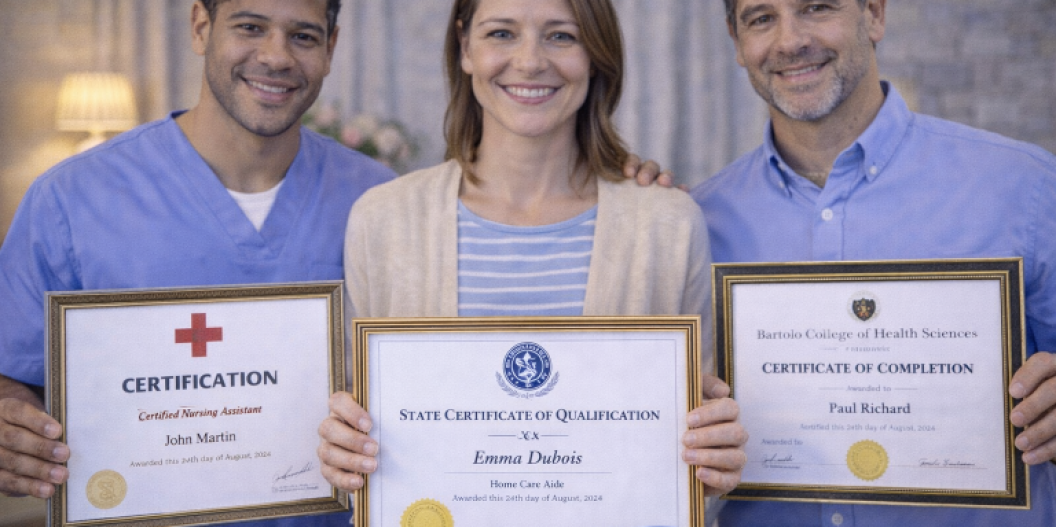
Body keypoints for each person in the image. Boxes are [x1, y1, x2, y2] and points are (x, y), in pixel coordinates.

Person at [0, 0, 668, 521]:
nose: (275, 55)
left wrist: (625, 181)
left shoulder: (380, 201)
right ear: (201, 26)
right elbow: (15, 373)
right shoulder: (70, 198)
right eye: (250, 26)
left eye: (303, 35)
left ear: (331, 49)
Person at [316, 0, 749, 516]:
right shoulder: (383, 221)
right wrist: (342, 448)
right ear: (465, 47)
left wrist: (715, 455)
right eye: (501, 33)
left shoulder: (668, 226)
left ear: (596, 54)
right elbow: (353, 426)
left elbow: (698, 450)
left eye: (561, 36)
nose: (529, 61)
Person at [692, 0, 1056, 525]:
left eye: (817, 7)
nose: (789, 40)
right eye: (760, 18)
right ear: (735, 40)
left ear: (875, 15)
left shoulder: (1024, 188)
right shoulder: (697, 224)